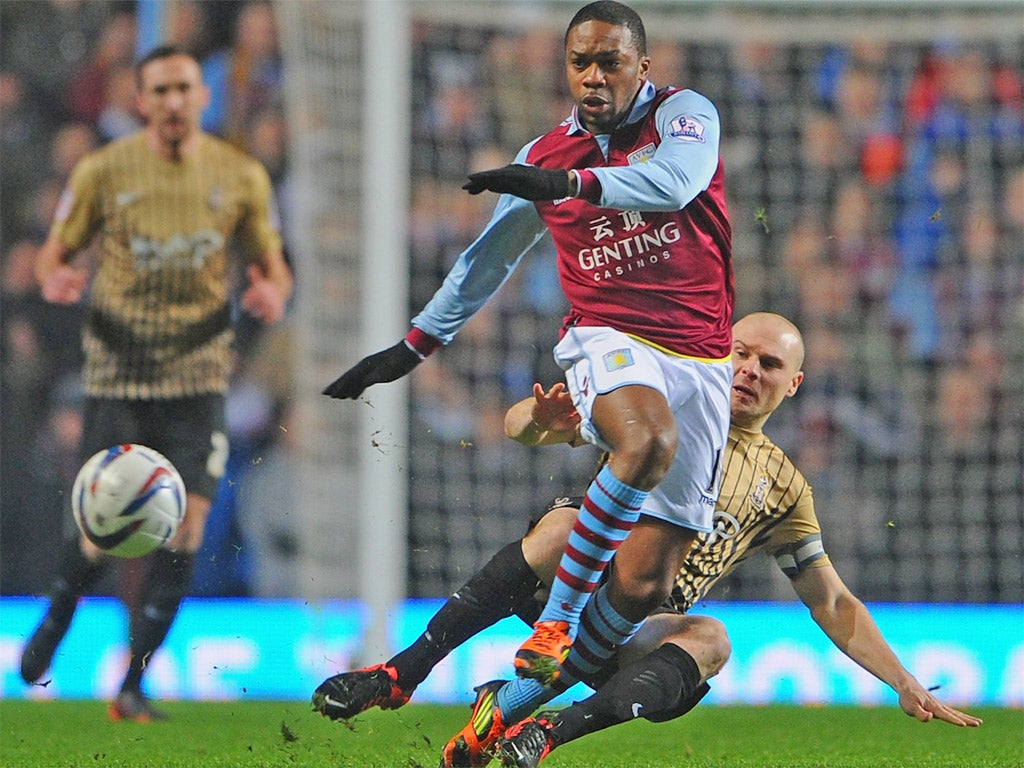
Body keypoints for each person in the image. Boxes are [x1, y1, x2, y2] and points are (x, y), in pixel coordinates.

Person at [313, 313, 982, 768]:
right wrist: (538, 420)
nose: (749, 369)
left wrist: (902, 680)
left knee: (713, 640)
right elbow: (522, 427)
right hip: (568, 597)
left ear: (794, 384)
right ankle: (403, 670)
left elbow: (830, 600)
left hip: (637, 629)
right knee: (567, 526)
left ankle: (540, 731)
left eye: (769, 364)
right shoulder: (662, 400)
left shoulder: (783, 486)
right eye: (739, 353)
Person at [323, 0, 734, 694]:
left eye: (610, 62)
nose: (595, 77)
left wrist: (564, 186)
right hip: (606, 335)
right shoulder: (541, 158)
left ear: (643, 66)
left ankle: (513, 707)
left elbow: (676, 183)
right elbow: (486, 261)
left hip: (703, 357)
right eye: (581, 63)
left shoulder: (682, 114)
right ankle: (556, 623)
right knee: (648, 441)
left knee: (643, 582)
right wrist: (414, 346)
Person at [18, 44, 293, 722]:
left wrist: (272, 291)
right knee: (100, 532)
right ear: (140, 102)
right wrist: (56, 273)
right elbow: (56, 249)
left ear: (203, 97)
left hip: (198, 380)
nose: (173, 102)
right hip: (120, 376)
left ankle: (134, 683)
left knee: (187, 530)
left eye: (184, 89)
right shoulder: (104, 171)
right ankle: (58, 616)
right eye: (159, 90)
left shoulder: (240, 175)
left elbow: (272, 264)